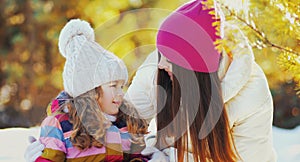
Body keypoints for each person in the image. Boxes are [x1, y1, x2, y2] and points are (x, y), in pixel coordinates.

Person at [25, 1, 277, 161]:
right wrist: (63, 122)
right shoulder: (157, 70)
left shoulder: (251, 95)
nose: (160, 63)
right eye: (160, 54)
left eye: (170, 60)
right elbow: (121, 120)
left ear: (194, 72)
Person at [34, 19, 149, 161]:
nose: (121, 93)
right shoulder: (59, 124)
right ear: (89, 91)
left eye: (121, 86)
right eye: (113, 86)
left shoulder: (126, 123)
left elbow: (137, 157)